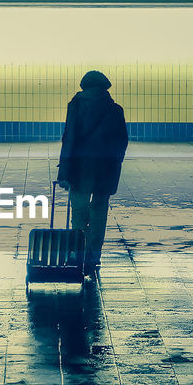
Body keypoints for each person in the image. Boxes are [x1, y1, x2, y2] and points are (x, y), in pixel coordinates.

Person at [57, 70, 128, 275]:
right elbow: (122, 141)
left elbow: (69, 138)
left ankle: (79, 255)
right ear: (105, 88)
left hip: (80, 168)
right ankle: (94, 256)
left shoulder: (76, 105)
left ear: (84, 86)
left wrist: (64, 171)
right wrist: (115, 163)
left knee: (79, 212)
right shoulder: (115, 110)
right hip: (105, 169)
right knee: (99, 212)